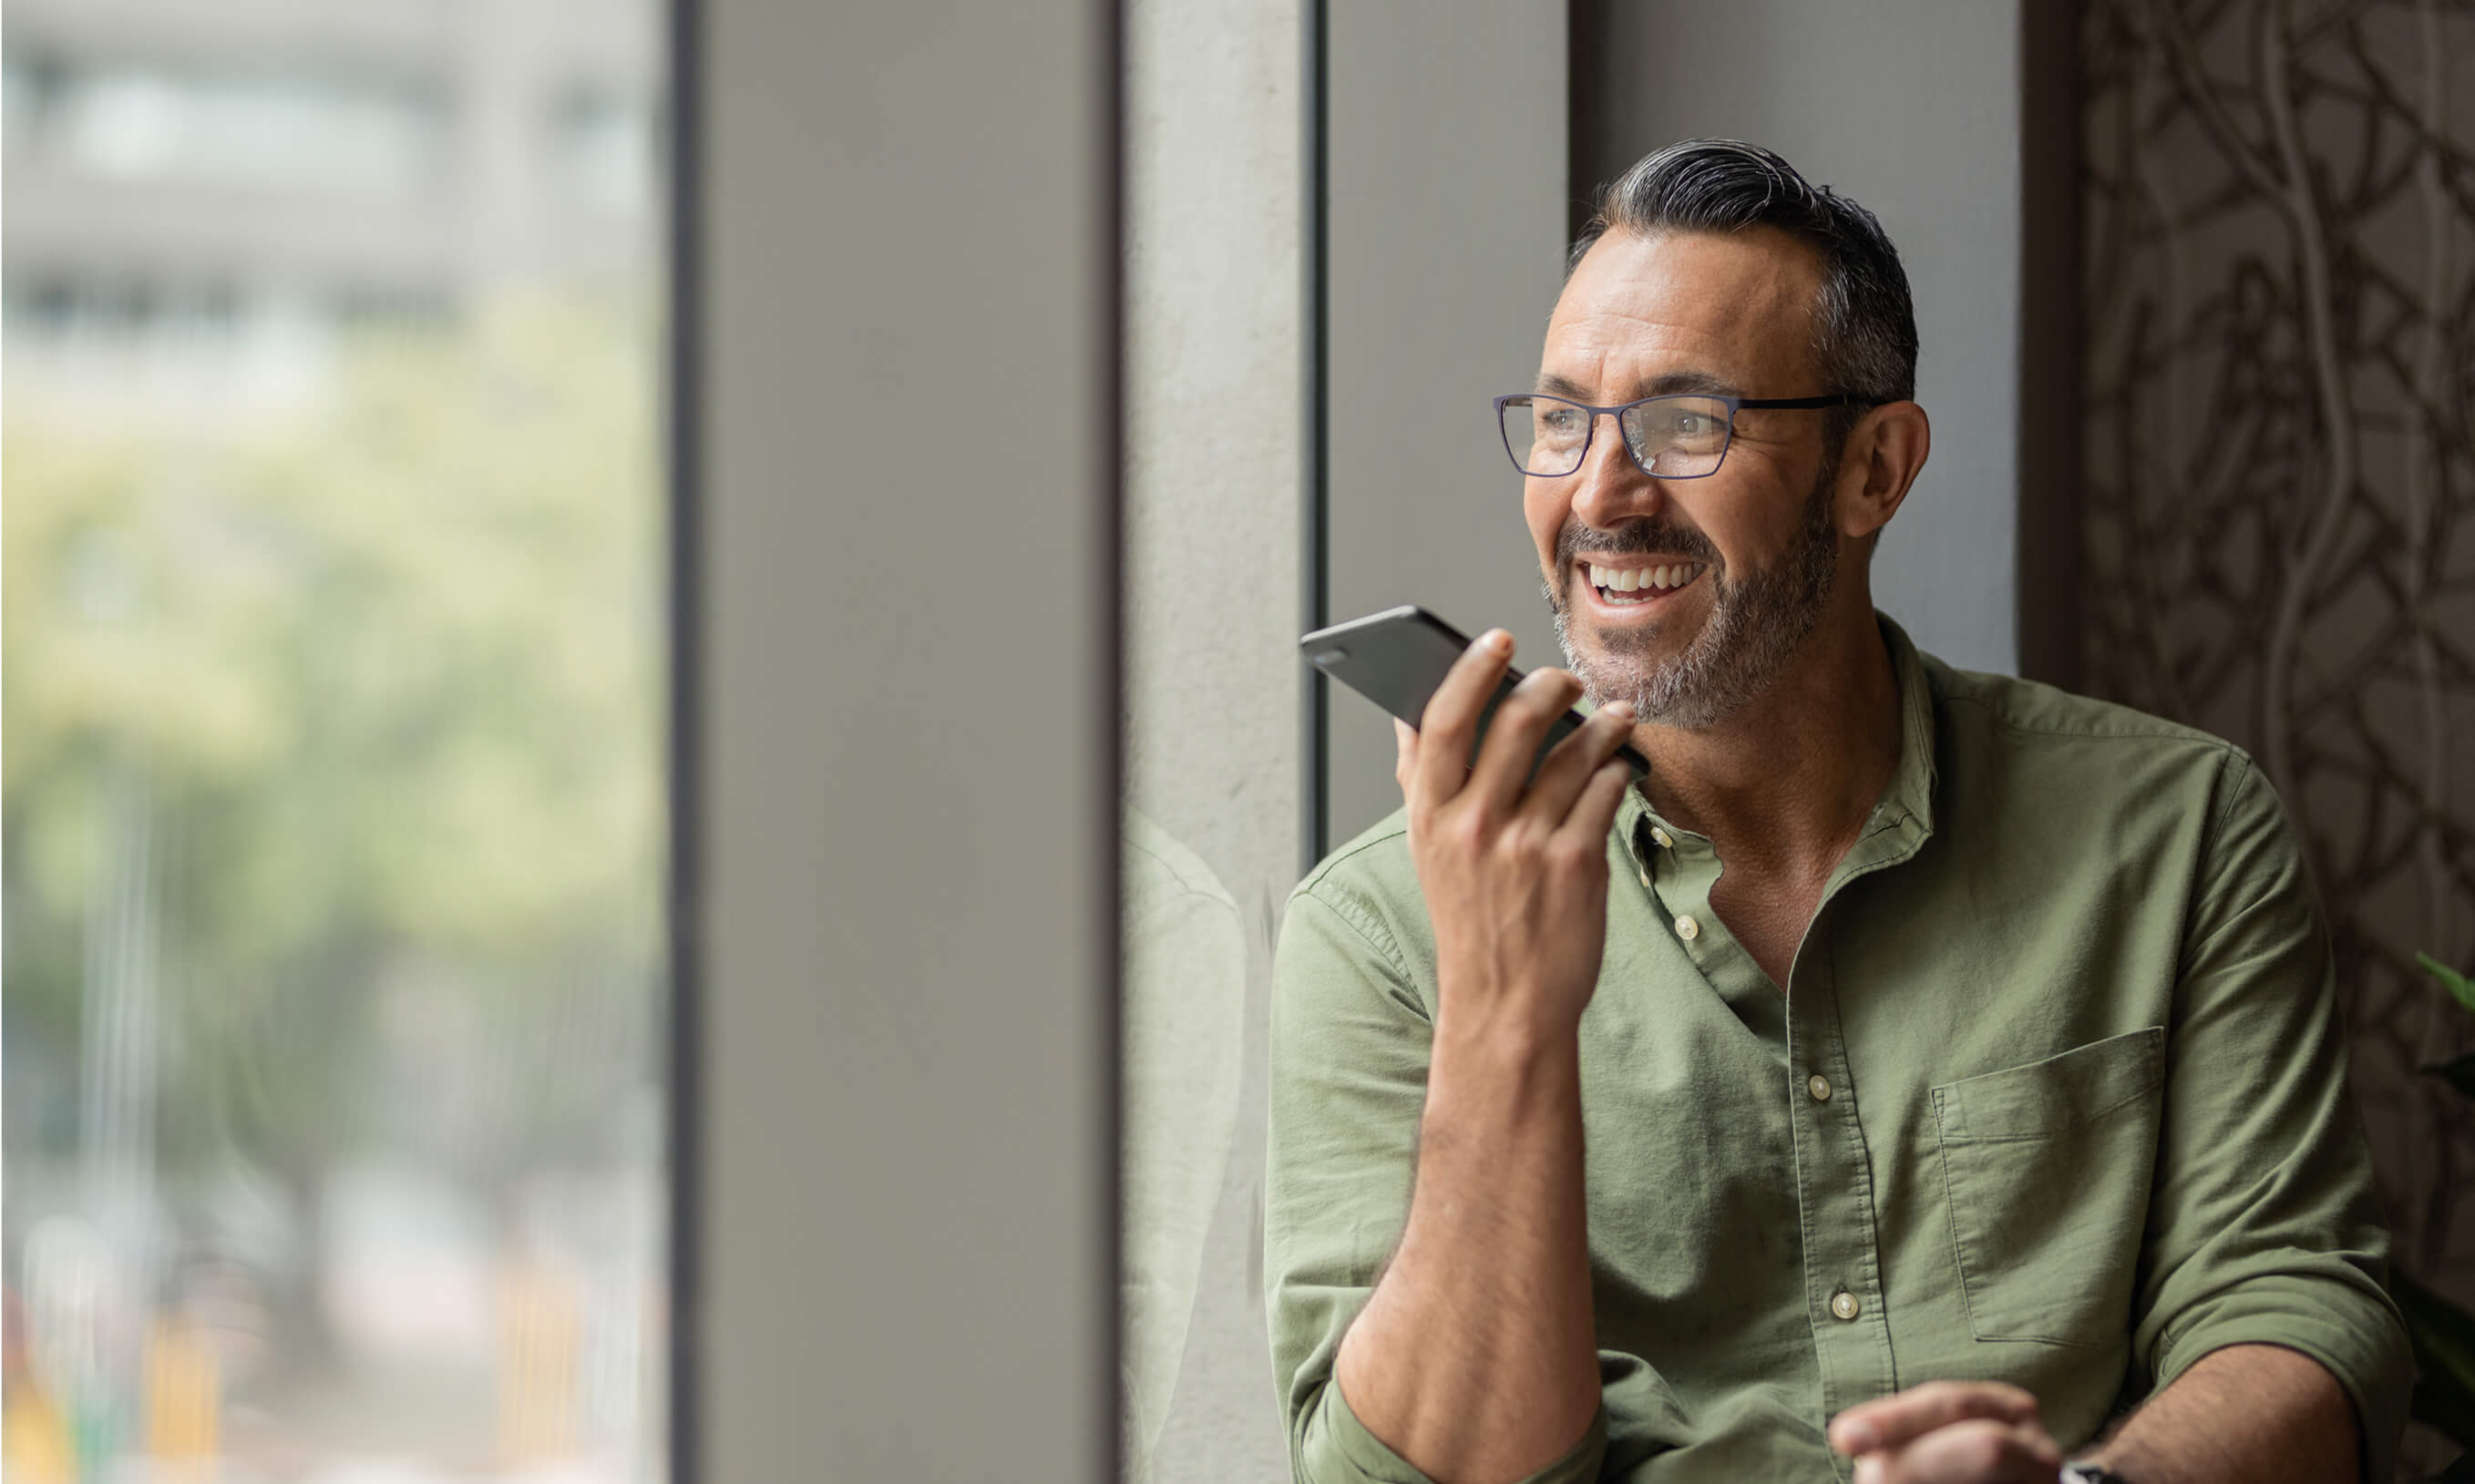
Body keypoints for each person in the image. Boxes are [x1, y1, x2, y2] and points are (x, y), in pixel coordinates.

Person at [1262, 139, 2410, 1484]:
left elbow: (2299, 1311)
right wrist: (1504, 1014)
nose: (1602, 494)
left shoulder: (2180, 831)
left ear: (1874, 469)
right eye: (1565, 419)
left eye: (1689, 422)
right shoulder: (1381, 930)